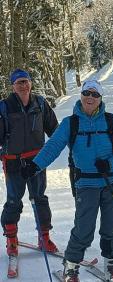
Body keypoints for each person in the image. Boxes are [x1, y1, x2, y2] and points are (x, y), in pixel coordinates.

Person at [21, 80, 113, 282]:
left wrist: (111, 164)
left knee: (112, 226)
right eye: (87, 93)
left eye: (95, 94)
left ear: (100, 98)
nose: (90, 97)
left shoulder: (111, 120)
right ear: (81, 95)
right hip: (86, 183)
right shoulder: (71, 123)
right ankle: (71, 266)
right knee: (83, 228)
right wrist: (35, 166)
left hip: (112, 181)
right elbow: (53, 146)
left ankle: (111, 263)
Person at [0, 69, 59, 258]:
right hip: (13, 162)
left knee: (39, 198)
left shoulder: (40, 104)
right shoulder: (4, 107)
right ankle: (11, 239)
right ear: (13, 86)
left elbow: (55, 132)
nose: (23, 86)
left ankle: (44, 237)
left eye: (25, 81)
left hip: (36, 161)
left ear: (30, 83)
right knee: (13, 201)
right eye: (19, 83)